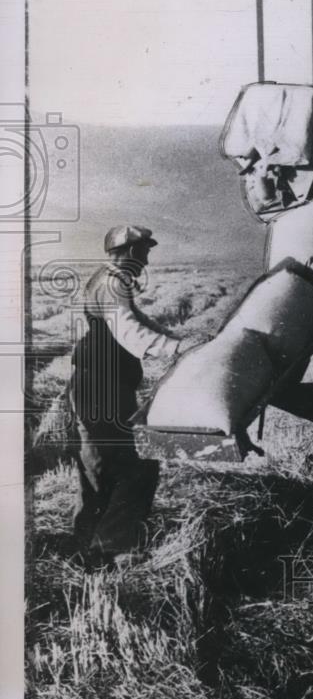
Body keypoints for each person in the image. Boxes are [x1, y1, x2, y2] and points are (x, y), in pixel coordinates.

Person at [68, 225, 186, 559]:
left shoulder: (107, 279)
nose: (146, 260)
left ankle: (86, 545)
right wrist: (174, 350)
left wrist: (176, 339)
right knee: (134, 469)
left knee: (97, 468)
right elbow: (129, 331)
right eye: (145, 252)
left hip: (98, 383)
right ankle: (110, 547)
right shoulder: (111, 283)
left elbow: (140, 319)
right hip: (101, 387)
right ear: (130, 251)